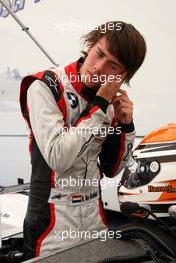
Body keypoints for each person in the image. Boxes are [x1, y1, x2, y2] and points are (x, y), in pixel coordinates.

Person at [20, 21, 146, 259]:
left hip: (93, 212)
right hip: (52, 216)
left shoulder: (111, 101)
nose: (98, 68)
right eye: (99, 54)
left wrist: (126, 125)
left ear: (123, 75)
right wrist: (99, 108)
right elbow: (59, 157)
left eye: (113, 66)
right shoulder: (45, 86)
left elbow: (113, 169)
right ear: (89, 46)